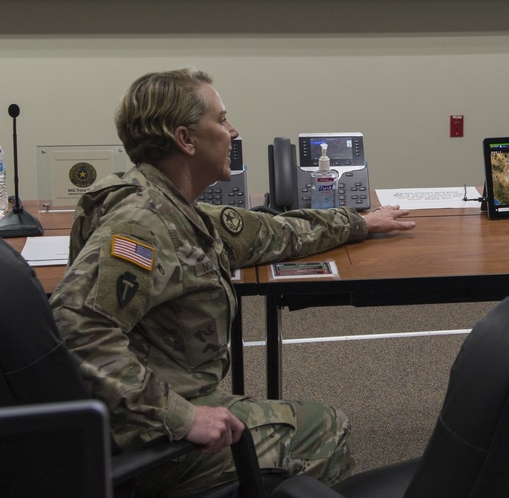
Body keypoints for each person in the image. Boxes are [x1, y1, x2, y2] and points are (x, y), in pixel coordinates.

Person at [49, 69, 415, 496]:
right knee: (328, 430)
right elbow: (75, 330)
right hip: (149, 432)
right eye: (221, 120)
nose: (233, 131)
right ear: (186, 139)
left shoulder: (174, 208)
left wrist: (359, 222)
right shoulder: (140, 225)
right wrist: (183, 417)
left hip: (153, 409)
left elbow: (272, 233)